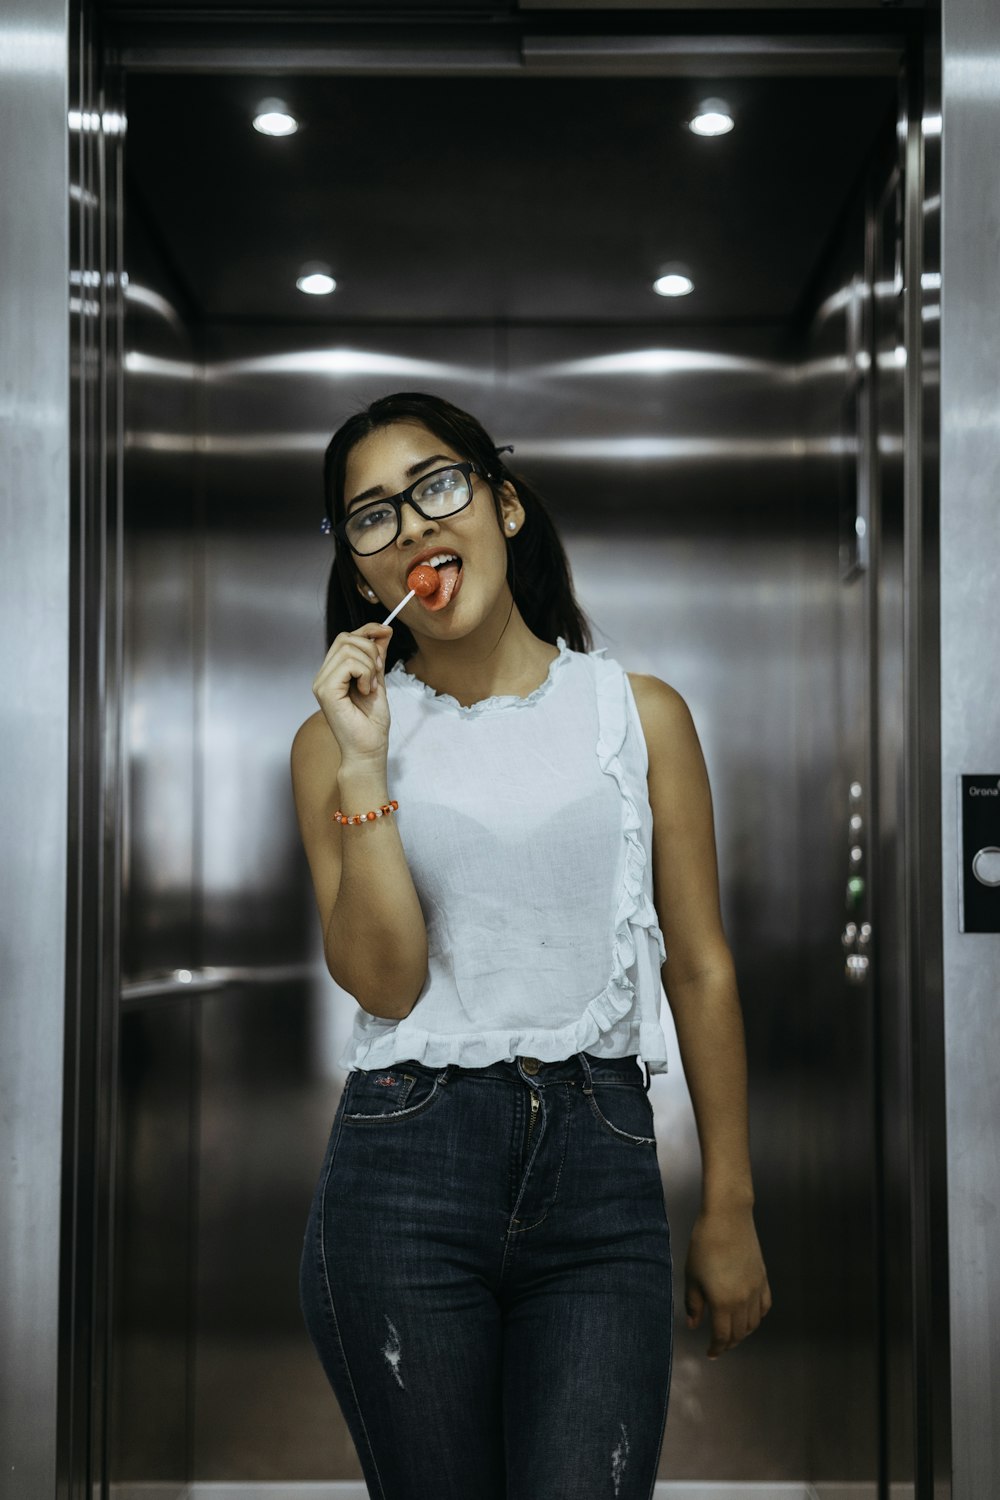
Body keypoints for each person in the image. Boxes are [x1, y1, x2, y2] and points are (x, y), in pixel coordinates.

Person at [291, 391, 771, 1499]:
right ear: (364, 571)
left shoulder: (636, 713)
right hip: (402, 1177)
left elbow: (699, 965)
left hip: (601, 1177)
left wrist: (731, 1204)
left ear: (502, 506)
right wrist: (367, 765)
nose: (410, 527)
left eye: (436, 487)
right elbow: (387, 979)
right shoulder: (332, 744)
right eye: (371, 517)